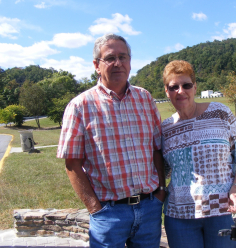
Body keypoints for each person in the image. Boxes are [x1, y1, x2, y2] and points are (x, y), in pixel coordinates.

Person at [57, 33, 166, 248]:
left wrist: (161, 191)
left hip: (149, 208)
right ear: (97, 65)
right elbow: (72, 164)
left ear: (130, 62)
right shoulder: (80, 106)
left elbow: (156, 149)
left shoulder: (145, 98)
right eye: (110, 58)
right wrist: (95, 209)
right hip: (109, 214)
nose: (118, 63)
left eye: (123, 57)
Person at [161, 60, 236, 248]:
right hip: (180, 218)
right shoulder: (165, 128)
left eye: (186, 85)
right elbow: (161, 171)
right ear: (166, 91)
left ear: (195, 87)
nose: (180, 91)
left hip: (224, 211)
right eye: (174, 87)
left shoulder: (220, 113)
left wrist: (235, 189)